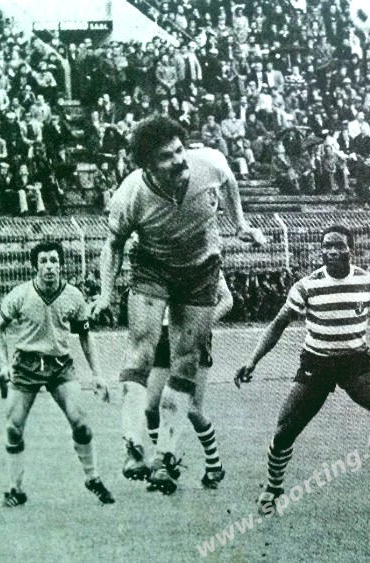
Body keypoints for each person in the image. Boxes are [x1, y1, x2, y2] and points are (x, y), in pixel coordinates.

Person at [90, 115, 265, 494]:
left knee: (185, 361)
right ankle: (133, 447)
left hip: (201, 269)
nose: (179, 160)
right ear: (147, 166)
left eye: (179, 150)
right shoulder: (131, 194)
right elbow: (113, 245)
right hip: (152, 267)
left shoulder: (209, 163)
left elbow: (229, 182)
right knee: (140, 351)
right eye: (166, 156)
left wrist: (240, 224)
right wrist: (105, 294)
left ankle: (166, 457)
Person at [234, 225, 370, 513]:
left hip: (355, 364)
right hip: (316, 364)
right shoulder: (307, 286)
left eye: (338, 246)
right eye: (327, 246)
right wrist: (252, 360)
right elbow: (277, 325)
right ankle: (272, 487)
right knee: (285, 431)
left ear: (351, 250)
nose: (332, 251)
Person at [0, 241, 114, 507]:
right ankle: (15, 489)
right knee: (13, 428)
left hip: (59, 366)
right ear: (35, 266)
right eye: (44, 261)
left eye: (54, 261)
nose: (49, 266)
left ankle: (93, 478)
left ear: (61, 265)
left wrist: (98, 374)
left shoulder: (73, 296)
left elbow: (85, 336)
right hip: (26, 366)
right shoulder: (20, 294)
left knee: (80, 423)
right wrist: (3, 365)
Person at [144, 272, 232, 489]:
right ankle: (165, 464)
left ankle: (214, 464)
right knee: (151, 407)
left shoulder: (204, 261)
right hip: (163, 335)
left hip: (193, 335)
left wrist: (202, 323)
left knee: (192, 408)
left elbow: (227, 299)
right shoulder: (157, 261)